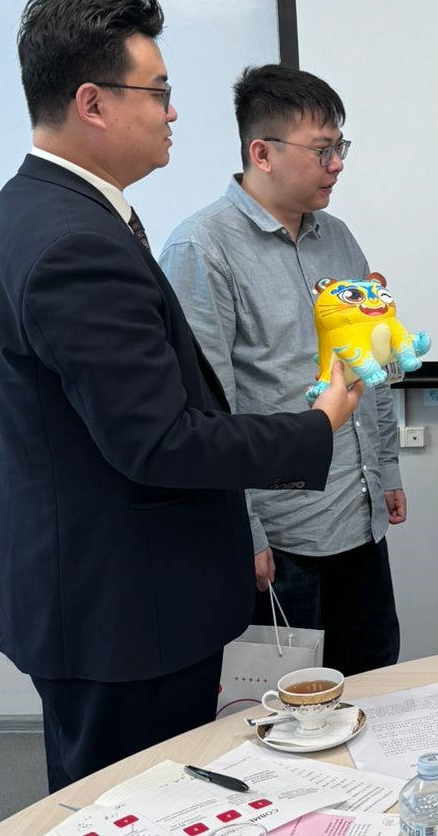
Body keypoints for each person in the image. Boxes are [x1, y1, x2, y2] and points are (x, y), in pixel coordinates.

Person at [0, 0, 361, 792]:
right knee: (135, 805)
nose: (174, 112)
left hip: (109, 597)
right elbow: (160, 440)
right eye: (159, 92)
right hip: (123, 613)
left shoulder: (47, 208)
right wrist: (316, 424)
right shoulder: (73, 242)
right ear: (93, 103)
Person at [160, 65, 404, 675]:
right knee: (293, 708)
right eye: (322, 150)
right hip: (280, 535)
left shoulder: (338, 238)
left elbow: (367, 362)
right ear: (261, 153)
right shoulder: (202, 248)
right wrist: (243, 531)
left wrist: (387, 467)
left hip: (359, 513)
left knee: (375, 678)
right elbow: (207, 408)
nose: (337, 164)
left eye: (340, 147)